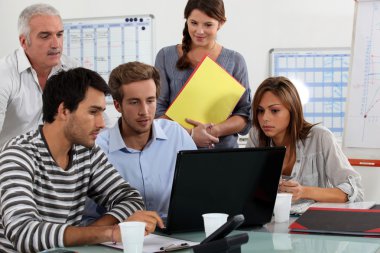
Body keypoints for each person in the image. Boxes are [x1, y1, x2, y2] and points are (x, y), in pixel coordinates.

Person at [0, 67, 164, 253]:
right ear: (63, 111)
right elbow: (24, 234)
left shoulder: (86, 151)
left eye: (102, 112)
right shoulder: (18, 154)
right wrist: (110, 233)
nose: (102, 123)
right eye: (93, 112)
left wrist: (90, 232)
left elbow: (130, 198)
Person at [83, 62, 196, 222]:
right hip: (122, 241)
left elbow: (200, 194)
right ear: (117, 105)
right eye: (134, 102)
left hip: (177, 235)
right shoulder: (96, 150)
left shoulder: (176, 134)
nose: (144, 111)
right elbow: (87, 221)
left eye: (150, 101)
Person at [246, 76, 363, 203]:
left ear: (292, 110)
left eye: (274, 110)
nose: (265, 118)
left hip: (313, 220)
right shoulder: (256, 136)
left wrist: (304, 191)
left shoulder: (320, 137)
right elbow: (245, 186)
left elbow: (355, 192)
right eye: (260, 111)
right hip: (271, 220)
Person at [155, 0, 251, 148]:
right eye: (193, 23)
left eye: (208, 25)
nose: (199, 31)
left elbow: (244, 114)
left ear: (221, 23)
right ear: (186, 20)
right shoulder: (166, 56)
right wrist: (191, 134)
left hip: (223, 152)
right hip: (177, 149)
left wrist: (214, 130)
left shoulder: (235, 60)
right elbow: (158, 112)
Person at [0, 3, 78, 147]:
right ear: (24, 41)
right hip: (10, 163)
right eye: (45, 36)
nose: (56, 44)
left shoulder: (72, 69)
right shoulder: (4, 73)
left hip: (55, 163)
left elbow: (98, 121)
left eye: (59, 34)